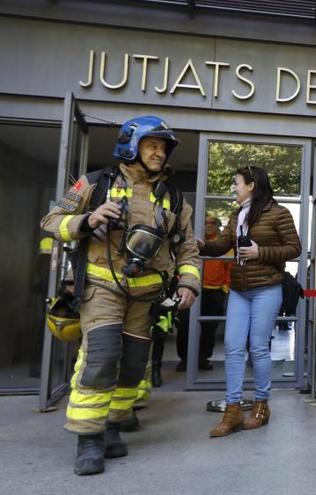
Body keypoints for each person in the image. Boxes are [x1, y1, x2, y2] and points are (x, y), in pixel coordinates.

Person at [40, 115, 201, 476]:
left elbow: (188, 249)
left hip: (145, 297)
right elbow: (51, 221)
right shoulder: (95, 184)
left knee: (132, 363)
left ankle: (113, 423)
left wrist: (189, 283)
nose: (160, 153)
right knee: (101, 356)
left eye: (163, 147)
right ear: (132, 144)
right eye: (152, 145)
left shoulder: (175, 198)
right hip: (101, 288)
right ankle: (89, 438)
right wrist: (88, 220)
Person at [200, 166, 301, 437]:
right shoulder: (236, 216)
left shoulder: (278, 213)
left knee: (257, 348)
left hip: (267, 287)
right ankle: (232, 410)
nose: (234, 188)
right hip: (238, 289)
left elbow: (295, 247)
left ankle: (261, 405)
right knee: (233, 347)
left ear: (252, 185)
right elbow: (220, 246)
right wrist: (197, 243)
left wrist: (260, 252)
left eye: (237, 183)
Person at [177, 216, 232, 372]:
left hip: (214, 292)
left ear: (217, 226)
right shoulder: (192, 243)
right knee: (185, 326)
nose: (208, 225)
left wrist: (225, 288)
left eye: (212, 223)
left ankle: (203, 359)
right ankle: (185, 359)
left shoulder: (223, 245)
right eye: (206, 222)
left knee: (209, 328)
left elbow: (230, 268)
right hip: (192, 289)